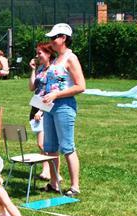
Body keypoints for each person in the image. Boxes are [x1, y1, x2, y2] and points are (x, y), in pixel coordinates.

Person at [42, 23, 86, 197]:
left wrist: (56, 95)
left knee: (67, 146)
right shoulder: (55, 59)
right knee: (51, 147)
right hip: (49, 107)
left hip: (64, 106)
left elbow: (81, 86)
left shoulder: (70, 58)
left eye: (54, 38)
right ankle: (54, 183)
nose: (51, 41)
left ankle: (75, 186)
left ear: (64, 38)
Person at [28, 42, 56, 181]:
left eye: (40, 53)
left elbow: (50, 92)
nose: (37, 55)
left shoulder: (52, 70)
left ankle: (52, 172)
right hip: (35, 105)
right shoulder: (40, 69)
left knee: (43, 143)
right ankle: (48, 171)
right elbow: (32, 87)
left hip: (44, 108)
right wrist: (33, 69)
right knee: (43, 143)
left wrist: (41, 111)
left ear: (48, 54)